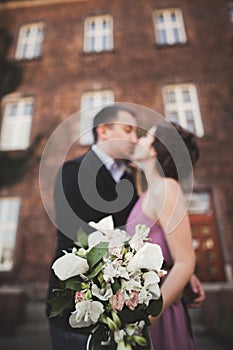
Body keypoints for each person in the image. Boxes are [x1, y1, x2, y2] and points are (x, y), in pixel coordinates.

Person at [46, 105, 139, 350]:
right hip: (77, 309)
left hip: (120, 313)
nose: (135, 139)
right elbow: (80, 236)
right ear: (104, 131)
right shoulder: (74, 171)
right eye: (128, 130)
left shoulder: (129, 178)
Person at [126, 123, 202, 350]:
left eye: (145, 137)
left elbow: (185, 262)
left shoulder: (167, 188)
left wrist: (147, 319)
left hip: (159, 315)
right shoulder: (147, 193)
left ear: (156, 150)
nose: (137, 140)